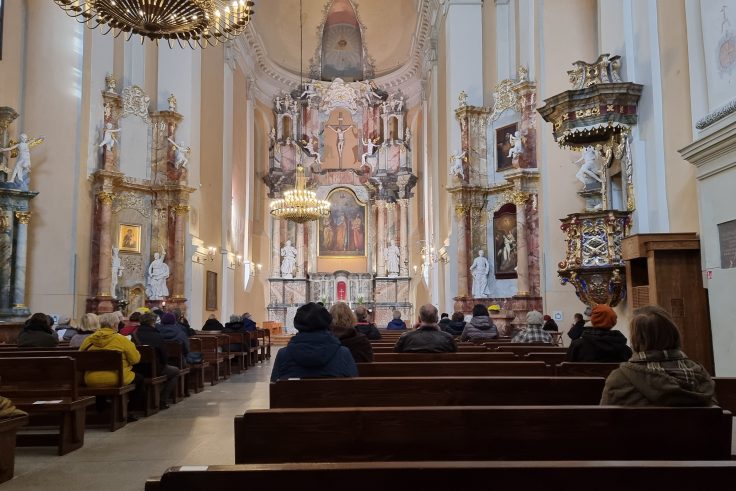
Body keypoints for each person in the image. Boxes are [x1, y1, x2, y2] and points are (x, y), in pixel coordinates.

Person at [600, 306, 716, 406]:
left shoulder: (619, 378)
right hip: (692, 432)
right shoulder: (699, 375)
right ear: (673, 333)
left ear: (636, 339)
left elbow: (604, 421)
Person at [270, 302, 358, 381]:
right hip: (333, 399)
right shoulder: (343, 353)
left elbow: (274, 388)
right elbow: (354, 386)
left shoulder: (283, 354)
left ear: (297, 324)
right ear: (328, 323)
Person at [79, 312, 141, 421]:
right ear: (114, 324)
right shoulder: (121, 339)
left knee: (100, 379)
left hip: (91, 380)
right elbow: (135, 359)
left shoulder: (89, 340)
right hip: (117, 378)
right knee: (140, 380)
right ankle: (130, 411)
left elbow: (80, 358)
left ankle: (101, 410)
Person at [132, 313, 179, 410]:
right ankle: (162, 400)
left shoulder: (134, 336)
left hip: (137, 370)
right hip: (155, 369)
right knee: (175, 371)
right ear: (152, 323)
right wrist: (163, 364)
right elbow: (164, 357)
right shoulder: (158, 336)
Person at [565, 304, 632, 362]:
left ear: (593, 320)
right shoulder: (623, 348)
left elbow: (567, 368)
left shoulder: (577, 345)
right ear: (613, 322)